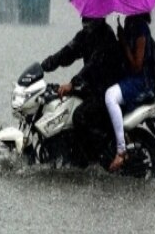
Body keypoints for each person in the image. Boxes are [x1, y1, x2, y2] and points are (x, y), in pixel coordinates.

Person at [40, 16, 123, 164]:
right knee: (61, 101)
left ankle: (98, 157)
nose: (85, 19)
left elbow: (92, 65)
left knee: (80, 116)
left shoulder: (106, 36)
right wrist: (45, 65)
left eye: (89, 16)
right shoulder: (85, 35)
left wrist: (72, 84)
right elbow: (67, 53)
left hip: (106, 89)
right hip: (91, 86)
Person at [104, 12, 155, 171]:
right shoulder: (129, 22)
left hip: (140, 82)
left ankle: (121, 151)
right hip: (129, 78)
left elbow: (137, 65)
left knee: (110, 97)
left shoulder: (141, 28)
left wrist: (124, 42)